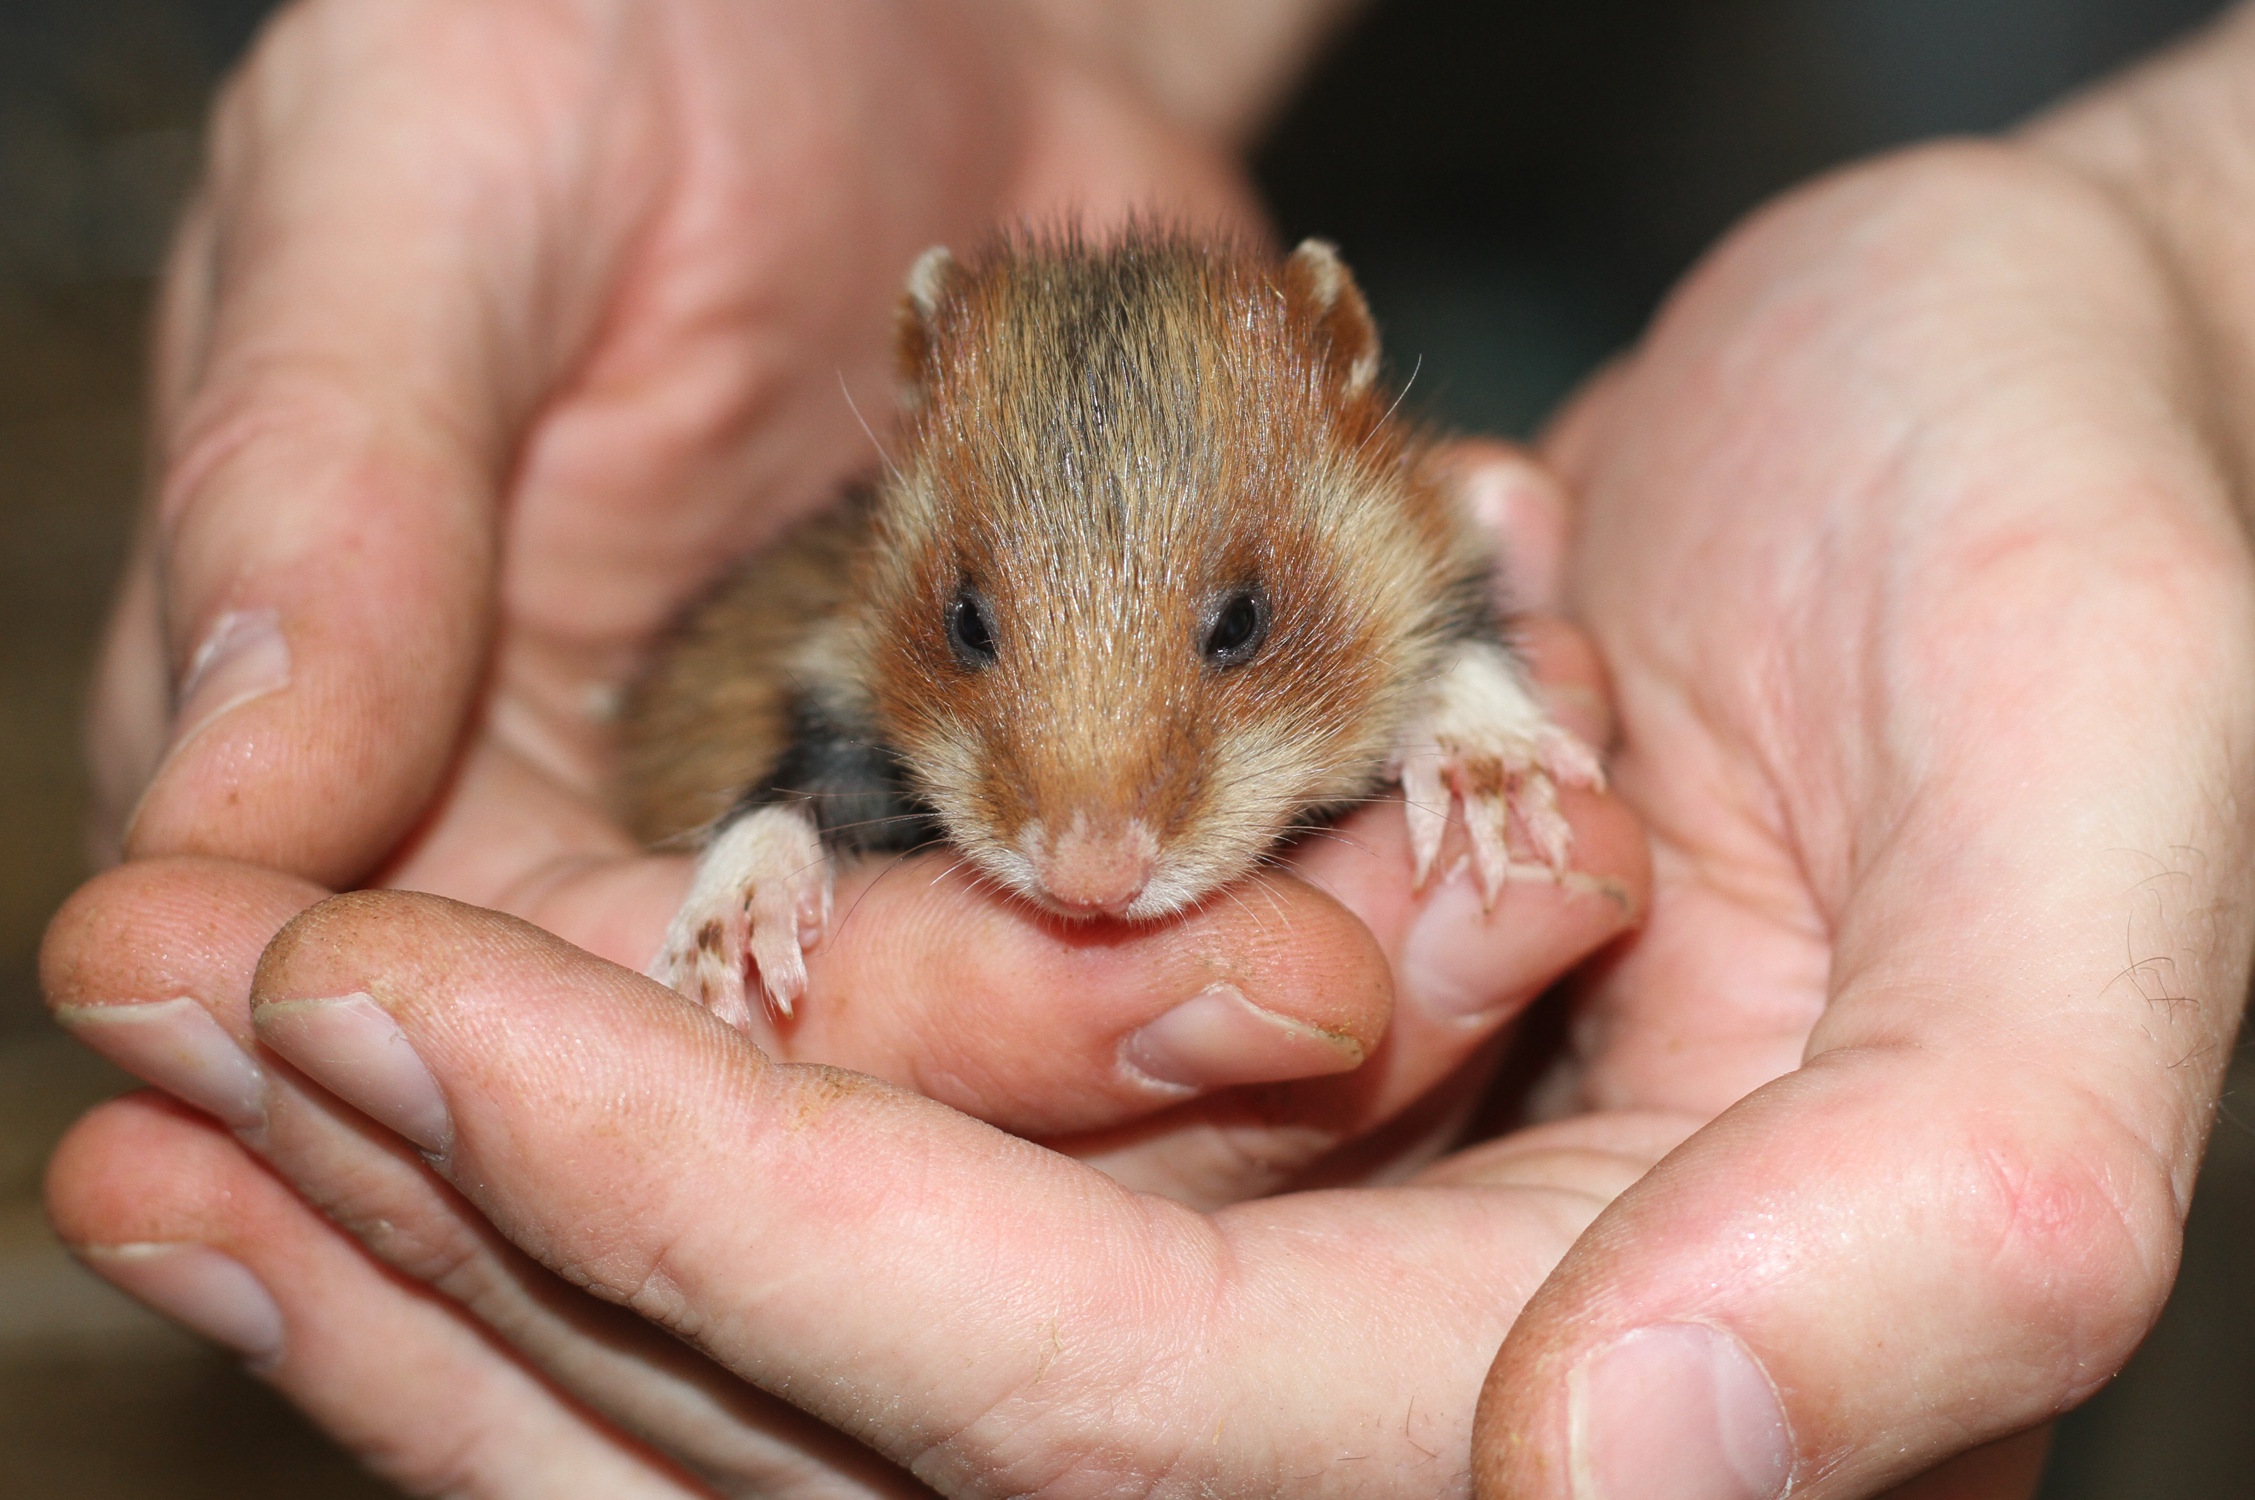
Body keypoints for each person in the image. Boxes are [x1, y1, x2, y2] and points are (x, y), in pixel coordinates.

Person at [37, 1, 2255, 1495]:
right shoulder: (862, 648)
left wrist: (2156, 239)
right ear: (915, 445)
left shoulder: (1386, 557)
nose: (1092, 845)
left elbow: (1460, 638)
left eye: (1227, 633)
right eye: (985, 634)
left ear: (1346, 383)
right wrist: (765, 867)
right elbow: (794, 755)